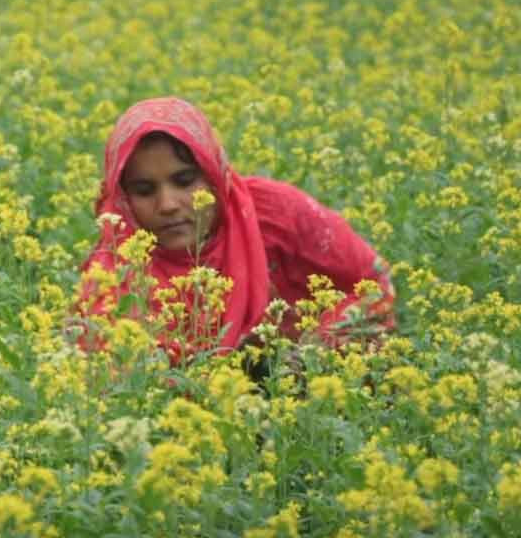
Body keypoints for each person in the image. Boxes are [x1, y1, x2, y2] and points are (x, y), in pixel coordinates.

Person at [75, 97, 394, 364]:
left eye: (185, 182)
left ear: (214, 175)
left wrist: (308, 356)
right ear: (123, 199)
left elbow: (372, 285)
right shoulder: (116, 271)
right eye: (144, 190)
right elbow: (103, 377)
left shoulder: (274, 213)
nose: (168, 204)